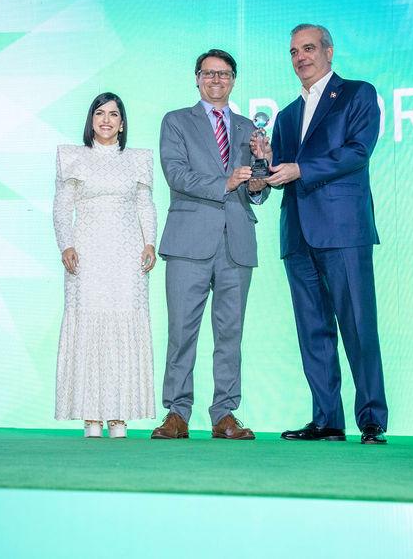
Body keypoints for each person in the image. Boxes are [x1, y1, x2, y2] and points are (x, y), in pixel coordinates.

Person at [260, 24, 388, 445]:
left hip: (343, 230)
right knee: (313, 331)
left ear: (329, 52)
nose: (301, 57)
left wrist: (300, 169)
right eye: (294, 50)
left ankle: (371, 420)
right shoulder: (287, 114)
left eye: (309, 48)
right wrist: (265, 162)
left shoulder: (357, 94)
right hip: (297, 234)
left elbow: (358, 151)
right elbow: (279, 171)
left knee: (358, 326)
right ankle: (327, 420)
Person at [151, 49, 270, 440]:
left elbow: (256, 189)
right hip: (189, 241)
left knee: (230, 333)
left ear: (233, 80)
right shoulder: (176, 122)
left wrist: (260, 174)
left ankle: (224, 414)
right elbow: (176, 174)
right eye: (208, 73)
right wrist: (226, 183)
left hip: (236, 241)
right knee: (182, 331)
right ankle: (176, 412)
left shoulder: (246, 127)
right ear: (197, 78)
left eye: (224, 74)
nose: (216, 80)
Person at [53, 92, 158, 438]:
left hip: (127, 255)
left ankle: (119, 415)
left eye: (114, 114)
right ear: (91, 120)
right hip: (87, 254)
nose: (107, 120)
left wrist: (149, 243)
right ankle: (90, 416)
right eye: (100, 113)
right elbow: (61, 206)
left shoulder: (139, 159)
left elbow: (146, 205)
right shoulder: (74, 158)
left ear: (123, 123)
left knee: (123, 325)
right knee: (89, 324)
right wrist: (66, 244)